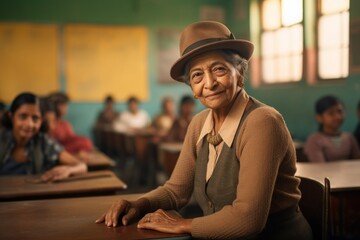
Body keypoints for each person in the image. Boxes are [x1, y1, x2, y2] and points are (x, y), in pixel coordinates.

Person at [96, 21, 312, 239]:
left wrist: (183, 225)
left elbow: (248, 219)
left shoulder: (262, 121)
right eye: (197, 75)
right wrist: (139, 203)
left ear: (240, 72)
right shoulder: (199, 123)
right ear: (192, 87)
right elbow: (176, 191)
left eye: (219, 69)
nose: (209, 83)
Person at [0, 92, 87, 181]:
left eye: (35, 118)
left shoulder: (44, 142)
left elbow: (82, 166)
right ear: (11, 117)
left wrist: (68, 170)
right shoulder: (2, 138)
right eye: (23, 116)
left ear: (41, 121)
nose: (29, 124)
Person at [304, 95, 360, 162]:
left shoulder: (349, 138)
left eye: (340, 111)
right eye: (331, 113)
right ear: (319, 117)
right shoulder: (315, 140)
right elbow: (319, 167)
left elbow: (357, 162)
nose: (337, 117)